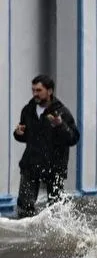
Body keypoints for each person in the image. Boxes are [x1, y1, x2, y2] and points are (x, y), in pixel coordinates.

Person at [13, 74, 80, 218]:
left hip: (54, 166)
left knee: (56, 210)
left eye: (39, 90)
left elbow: (73, 138)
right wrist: (18, 133)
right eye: (33, 90)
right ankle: (28, 235)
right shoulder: (28, 110)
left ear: (49, 91)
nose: (35, 94)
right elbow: (26, 136)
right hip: (31, 164)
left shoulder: (61, 112)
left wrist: (60, 125)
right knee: (24, 207)